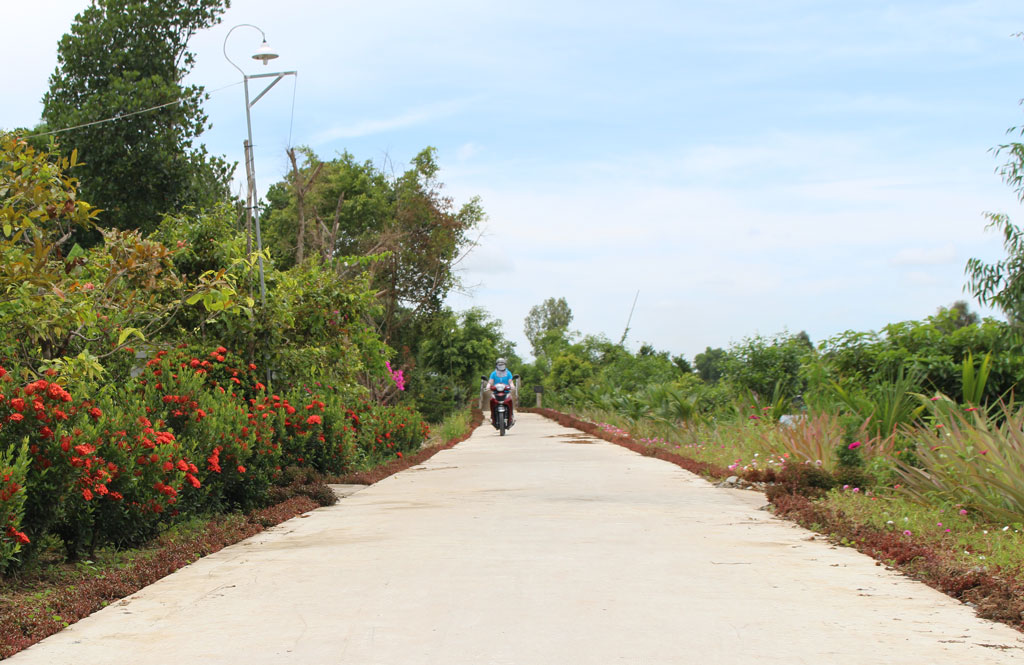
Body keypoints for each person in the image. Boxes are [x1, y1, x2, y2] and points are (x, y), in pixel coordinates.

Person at [486, 357, 516, 426]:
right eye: (499, 364)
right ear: (496, 365)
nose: (501, 366)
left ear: (505, 365)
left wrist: (512, 386)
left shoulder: (508, 373)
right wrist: (488, 386)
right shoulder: (493, 374)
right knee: (491, 401)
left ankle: (511, 416)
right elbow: (490, 382)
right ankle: (492, 416)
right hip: (496, 393)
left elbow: (510, 382)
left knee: (510, 400)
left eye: (502, 364)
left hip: (506, 392)